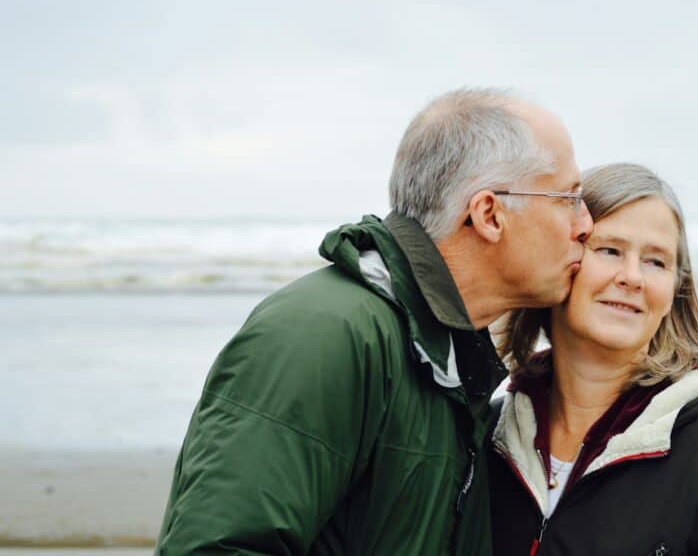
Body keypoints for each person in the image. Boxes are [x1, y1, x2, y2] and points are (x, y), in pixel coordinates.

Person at [156, 88, 593, 554]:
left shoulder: (448, 356)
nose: (585, 223)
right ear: (489, 214)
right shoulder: (325, 334)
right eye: (568, 197)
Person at [489, 162, 698, 555]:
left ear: (674, 292)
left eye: (656, 261)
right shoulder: (488, 438)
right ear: (561, 262)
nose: (632, 277)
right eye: (609, 250)